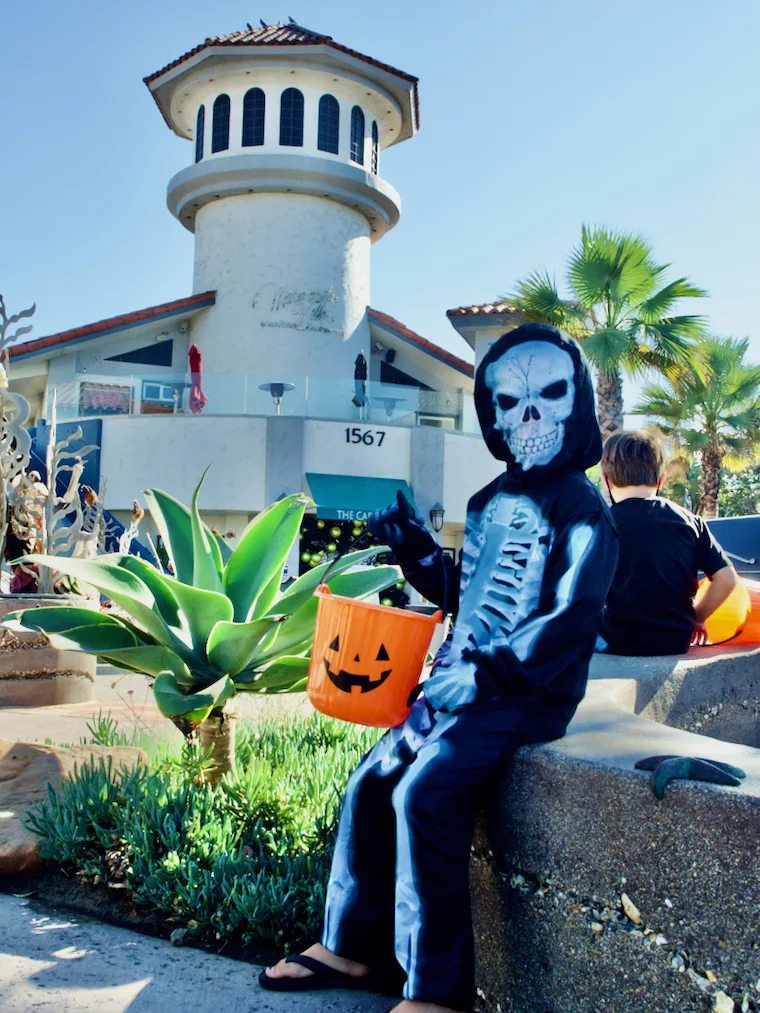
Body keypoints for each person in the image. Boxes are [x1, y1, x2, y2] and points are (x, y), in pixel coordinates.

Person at [260, 323, 618, 1013]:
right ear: (492, 414)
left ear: (579, 403)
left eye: (551, 394)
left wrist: (489, 673)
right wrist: (417, 553)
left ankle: (438, 991)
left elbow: (571, 616)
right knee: (371, 781)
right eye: (512, 401)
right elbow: (469, 593)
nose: (532, 416)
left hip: (526, 694)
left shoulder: (584, 511)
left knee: (424, 793)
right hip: (460, 683)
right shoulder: (486, 504)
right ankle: (352, 947)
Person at [598, 429, 738, 656]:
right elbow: (727, 578)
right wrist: (696, 618)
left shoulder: (598, 524)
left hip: (617, 641)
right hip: (675, 639)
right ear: (661, 479)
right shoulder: (691, 521)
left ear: (606, 480)